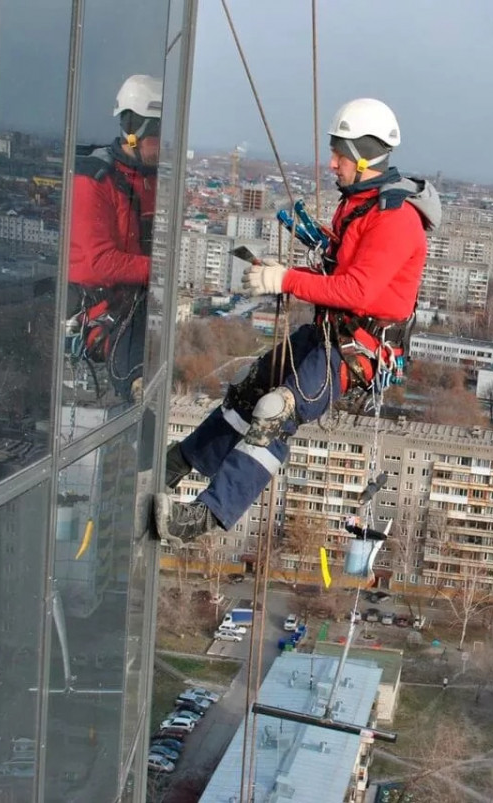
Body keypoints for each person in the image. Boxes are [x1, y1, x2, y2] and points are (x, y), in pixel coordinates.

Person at [154, 98, 440, 543]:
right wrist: (284, 275)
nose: (332, 163)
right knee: (252, 391)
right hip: (334, 333)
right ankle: (180, 463)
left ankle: (206, 516)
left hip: (355, 350)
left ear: (365, 155)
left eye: (340, 154)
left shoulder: (393, 219)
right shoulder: (360, 205)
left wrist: (284, 280)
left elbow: (357, 291)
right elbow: (337, 277)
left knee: (274, 413)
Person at [67, 74, 162, 402]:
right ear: (136, 132)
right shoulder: (94, 181)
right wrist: (162, 269)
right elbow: (100, 263)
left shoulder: (151, 180)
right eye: (160, 135)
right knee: (136, 380)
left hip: (132, 304)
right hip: (97, 308)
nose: (165, 145)